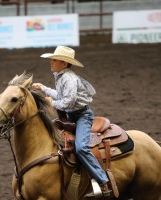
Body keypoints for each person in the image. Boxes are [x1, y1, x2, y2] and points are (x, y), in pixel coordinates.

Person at [32, 46, 110, 196]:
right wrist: (44, 88)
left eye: (54, 60)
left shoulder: (69, 78)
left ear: (64, 63)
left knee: (81, 148)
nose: (51, 62)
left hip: (82, 116)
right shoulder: (61, 76)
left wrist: (50, 103)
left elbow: (67, 102)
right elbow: (60, 95)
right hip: (71, 116)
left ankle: (103, 181)